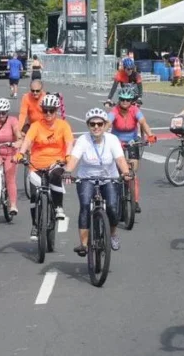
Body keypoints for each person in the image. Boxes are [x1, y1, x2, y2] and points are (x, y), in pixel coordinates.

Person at [64, 108, 133, 254]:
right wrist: (68, 172)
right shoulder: (83, 140)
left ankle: (113, 234)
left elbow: (120, 159)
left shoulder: (112, 139)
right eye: (92, 124)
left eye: (99, 124)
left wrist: (126, 173)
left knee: (113, 208)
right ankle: (83, 244)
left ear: (104, 125)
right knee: (84, 206)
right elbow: (74, 158)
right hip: (87, 178)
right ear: (88, 125)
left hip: (109, 178)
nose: (96, 127)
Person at [14, 94, 73, 241]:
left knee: (55, 176)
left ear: (56, 111)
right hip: (36, 165)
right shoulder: (35, 126)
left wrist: (68, 156)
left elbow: (70, 143)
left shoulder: (63, 125)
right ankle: (35, 224)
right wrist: (21, 153)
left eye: (51, 111)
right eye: (45, 110)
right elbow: (27, 141)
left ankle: (58, 207)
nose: (48, 114)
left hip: (55, 163)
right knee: (34, 195)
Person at [107, 86, 157, 214]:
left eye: (127, 100)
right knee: (116, 172)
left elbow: (143, 123)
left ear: (131, 101)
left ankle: (135, 200)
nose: (124, 102)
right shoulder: (115, 110)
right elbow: (107, 123)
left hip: (132, 141)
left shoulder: (135, 110)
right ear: (119, 100)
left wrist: (150, 135)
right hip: (116, 142)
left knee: (133, 173)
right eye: (122, 99)